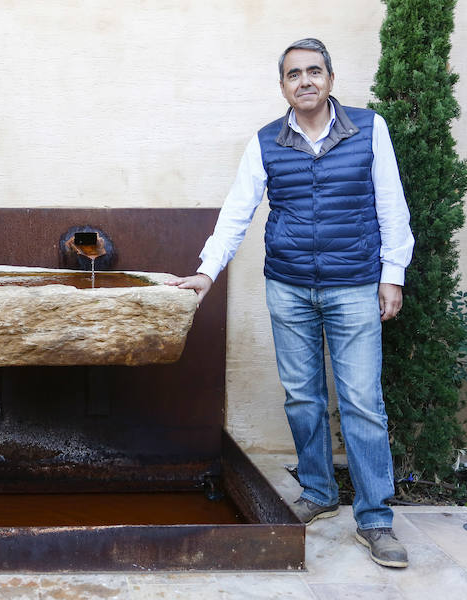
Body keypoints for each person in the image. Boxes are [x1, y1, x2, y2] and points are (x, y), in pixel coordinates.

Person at [169, 39, 414, 568]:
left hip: (354, 285)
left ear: (330, 79)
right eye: (294, 74)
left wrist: (392, 276)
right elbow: (237, 211)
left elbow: (392, 206)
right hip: (289, 287)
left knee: (362, 403)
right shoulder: (266, 141)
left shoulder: (369, 129)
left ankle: (375, 519)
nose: (305, 81)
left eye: (314, 71)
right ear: (282, 86)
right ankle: (319, 491)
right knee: (303, 397)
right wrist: (207, 273)